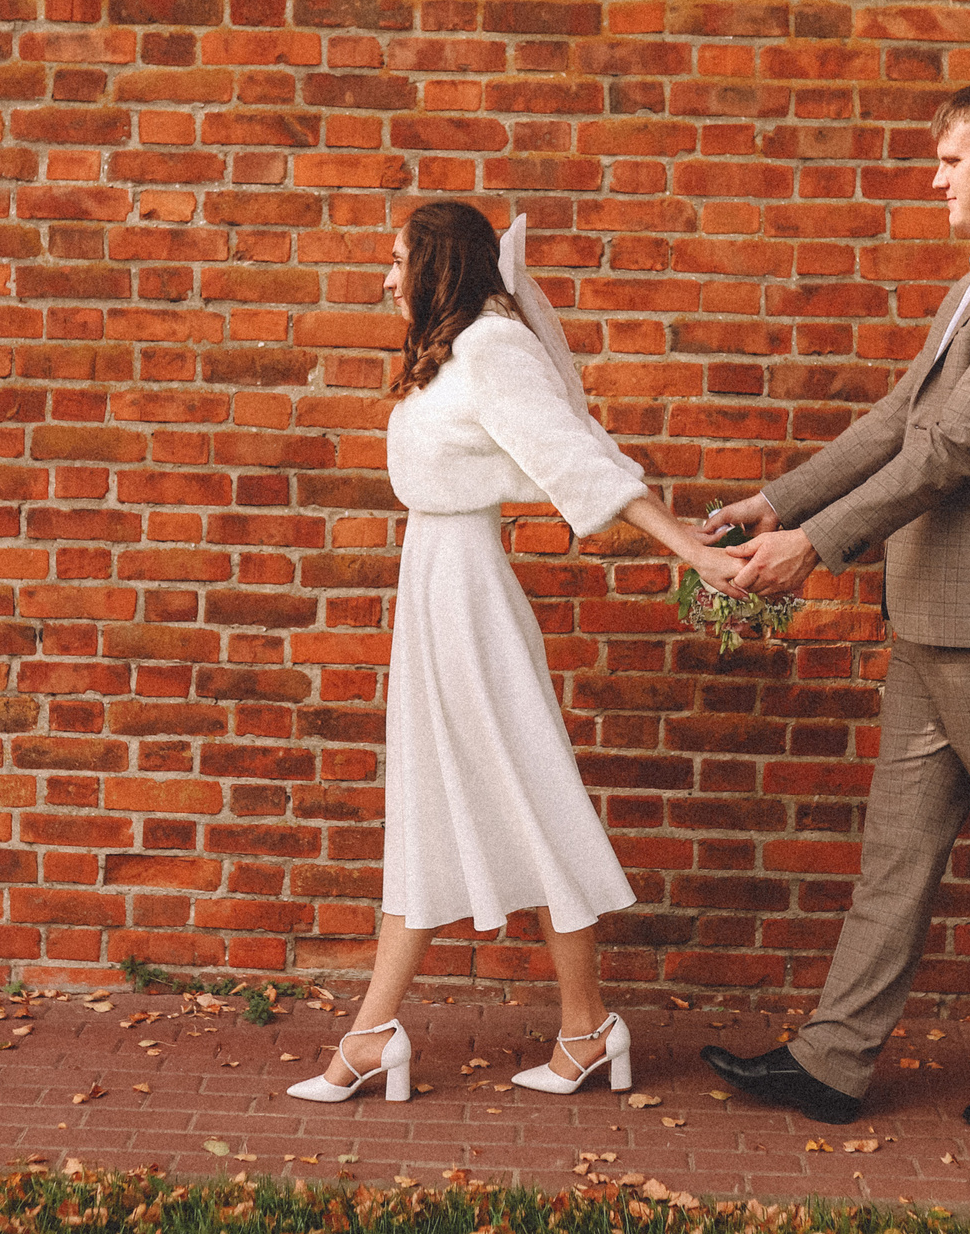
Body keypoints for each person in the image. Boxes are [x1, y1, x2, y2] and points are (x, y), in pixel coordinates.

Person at [697, 75, 970, 1133]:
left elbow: (950, 450)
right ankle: (832, 1061)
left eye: (946, 159)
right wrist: (775, 499)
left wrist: (816, 544)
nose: (933, 179)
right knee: (894, 855)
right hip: (936, 618)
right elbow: (900, 418)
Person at [289, 202, 748, 1105]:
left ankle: (427, 1031)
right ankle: (544, 1028)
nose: (386, 281)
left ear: (440, 266)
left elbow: (575, 458)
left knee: (527, 794)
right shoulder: (459, 349)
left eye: (396, 262)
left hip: (467, 599)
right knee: (433, 800)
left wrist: (689, 548)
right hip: (434, 589)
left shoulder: (492, 350)